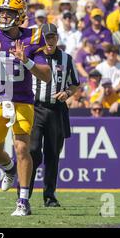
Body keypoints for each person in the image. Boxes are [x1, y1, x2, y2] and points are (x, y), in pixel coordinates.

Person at [0, 0, 51, 216]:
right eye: (2, 11)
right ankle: (9, 167)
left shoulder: (33, 36)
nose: (4, 16)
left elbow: (47, 76)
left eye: (9, 12)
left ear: (20, 15)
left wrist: (26, 60)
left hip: (23, 101)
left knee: (22, 148)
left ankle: (23, 201)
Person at [25, 23, 80, 207]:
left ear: (57, 37)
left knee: (53, 154)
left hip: (57, 110)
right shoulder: (33, 57)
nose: (50, 40)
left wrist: (68, 93)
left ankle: (49, 196)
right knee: (32, 151)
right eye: (47, 37)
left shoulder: (66, 59)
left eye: (53, 37)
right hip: (36, 108)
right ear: (41, 38)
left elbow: (74, 84)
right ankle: (24, 194)